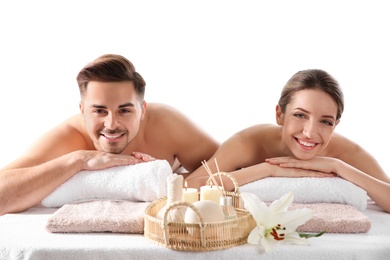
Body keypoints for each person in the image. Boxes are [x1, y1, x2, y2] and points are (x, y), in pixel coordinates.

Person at [0, 54, 219, 215]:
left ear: (142, 110)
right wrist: (79, 159)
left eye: (124, 110)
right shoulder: (69, 139)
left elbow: (225, 167)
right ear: (82, 111)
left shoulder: (166, 124)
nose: (111, 124)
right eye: (99, 111)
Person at [185, 69, 390, 213]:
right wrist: (267, 170)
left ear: (336, 125)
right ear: (280, 115)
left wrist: (338, 166)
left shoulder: (346, 153)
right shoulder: (248, 143)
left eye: (325, 121)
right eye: (300, 115)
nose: (310, 132)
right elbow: (187, 188)